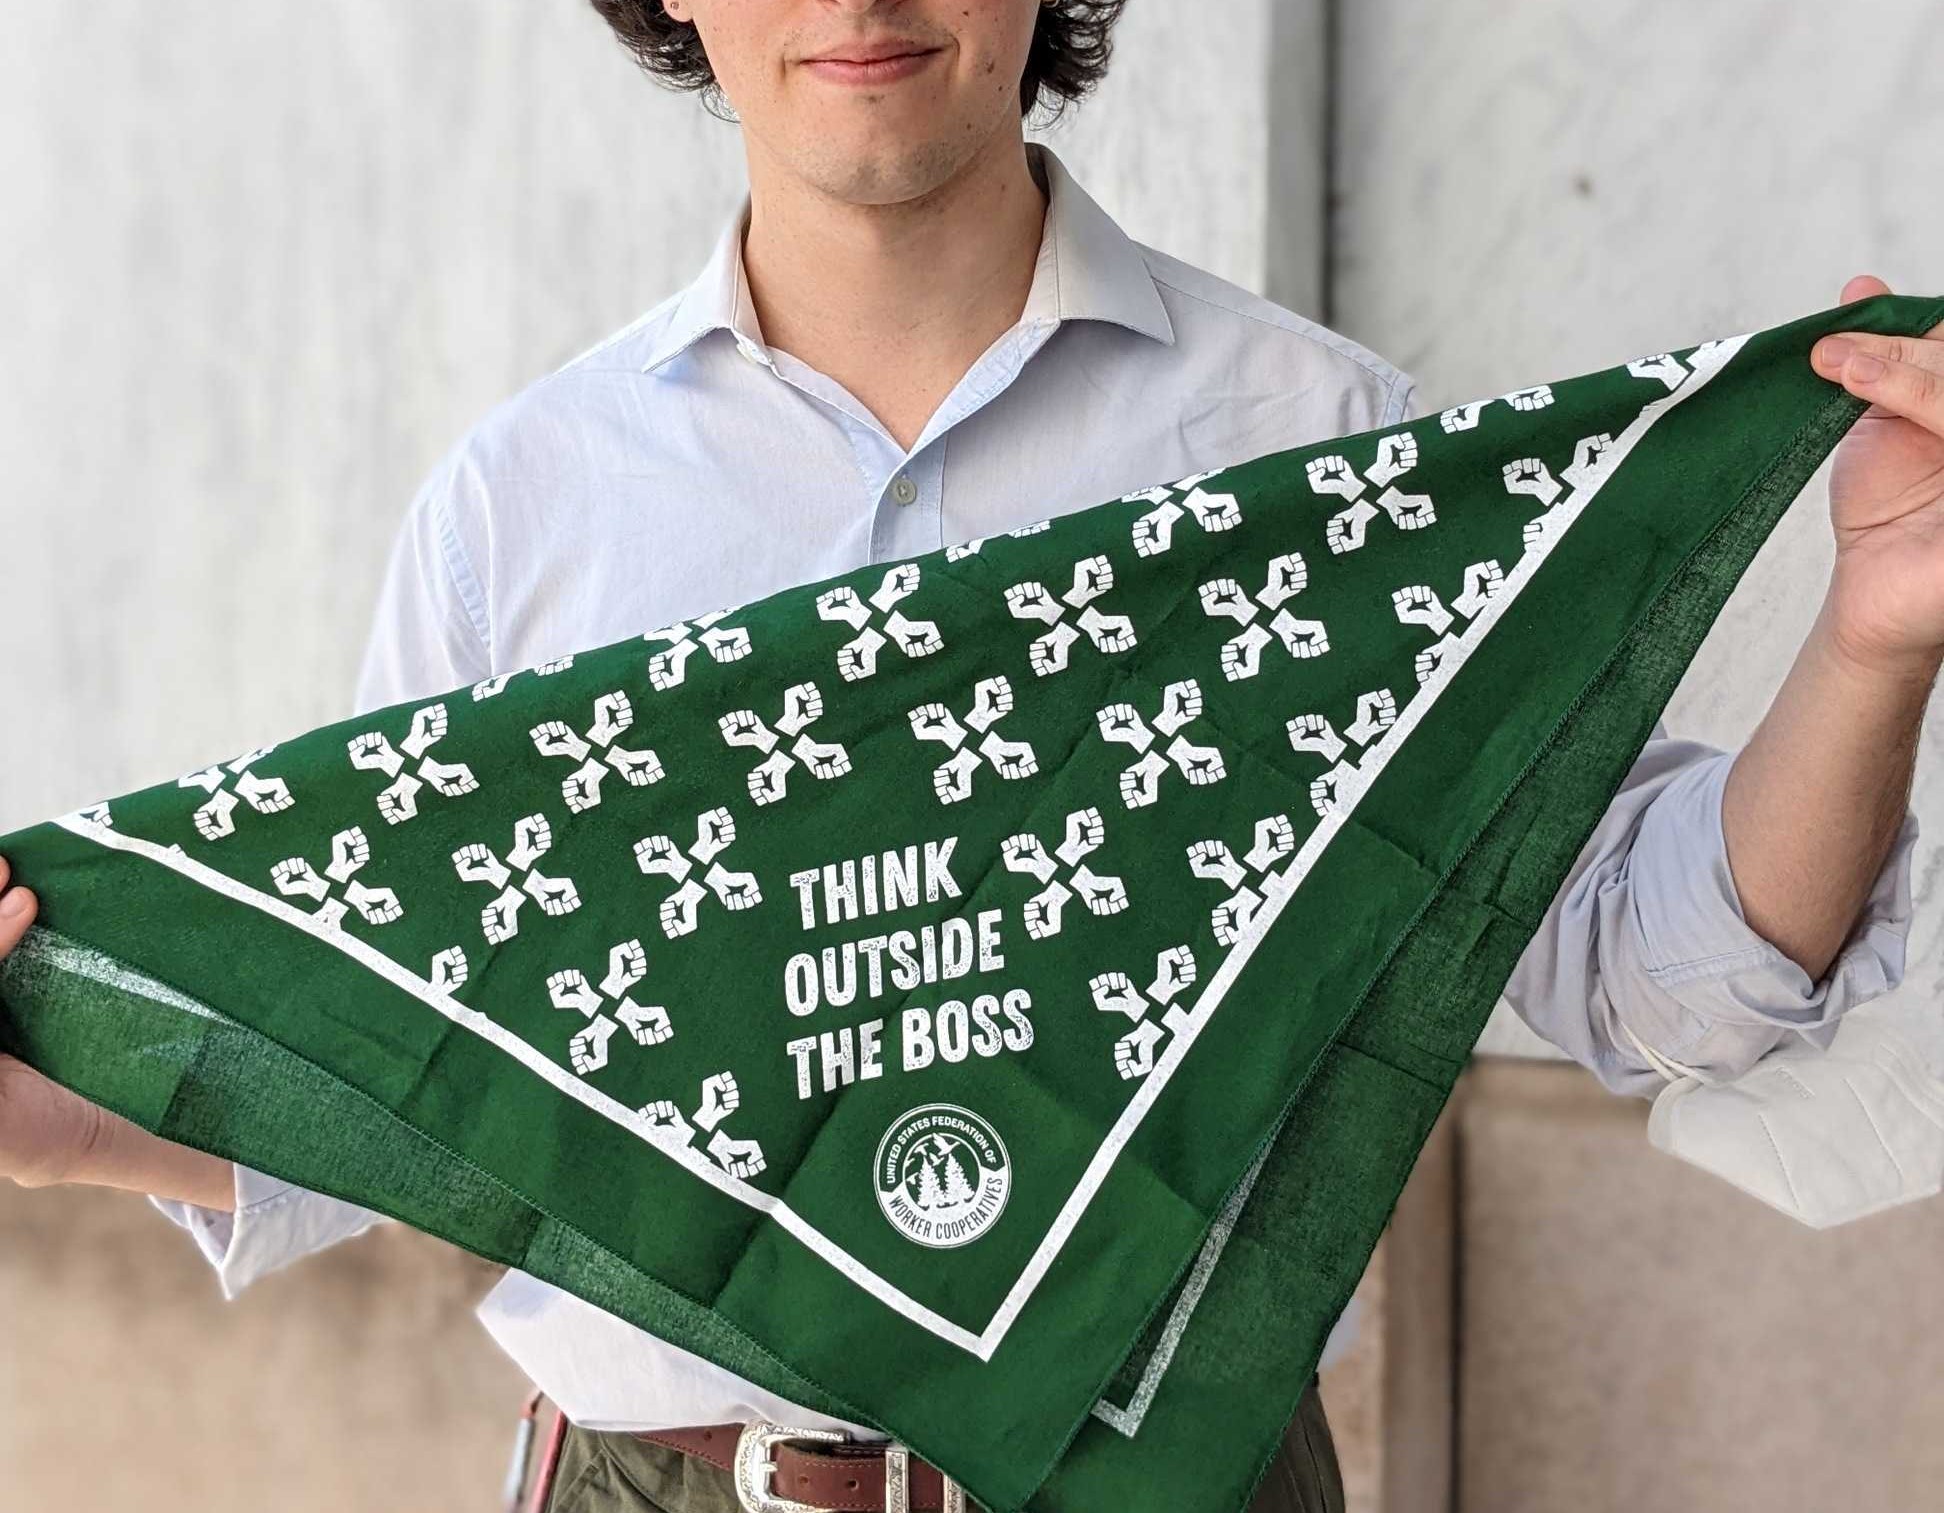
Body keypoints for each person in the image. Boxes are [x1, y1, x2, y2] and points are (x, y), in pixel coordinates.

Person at [4, 2, 1943, 1509]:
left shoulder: (1314, 452)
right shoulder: (530, 502)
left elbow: (1655, 979)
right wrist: (59, 1126)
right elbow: (400, 1079)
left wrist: (1870, 629)